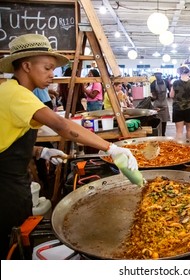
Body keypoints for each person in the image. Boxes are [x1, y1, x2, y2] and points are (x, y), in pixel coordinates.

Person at [0, 34, 138, 259]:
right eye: (46, 68)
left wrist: (40, 151)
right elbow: (62, 126)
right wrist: (111, 148)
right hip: (5, 189)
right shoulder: (16, 94)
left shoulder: (10, 90)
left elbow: (7, 136)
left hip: (12, 180)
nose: (51, 75)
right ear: (26, 66)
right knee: (11, 246)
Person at [170, 65, 190, 139]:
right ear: (188, 73)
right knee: (189, 130)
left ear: (179, 73)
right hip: (189, 108)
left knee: (179, 131)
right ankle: (189, 148)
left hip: (177, 108)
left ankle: (179, 148)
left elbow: (171, 95)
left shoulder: (175, 82)